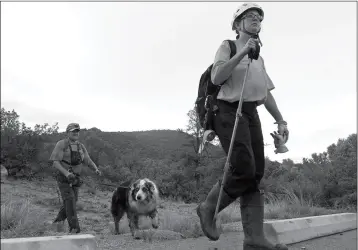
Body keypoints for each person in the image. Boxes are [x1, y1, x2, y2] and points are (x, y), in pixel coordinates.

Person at [196, 3, 289, 250]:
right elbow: (217, 77)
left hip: (250, 112)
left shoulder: (259, 57)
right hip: (227, 110)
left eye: (259, 16)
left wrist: (281, 120)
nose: (256, 19)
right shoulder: (229, 46)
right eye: (249, 16)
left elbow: (265, 94)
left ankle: (254, 239)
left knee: (256, 172)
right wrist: (241, 53)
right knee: (244, 166)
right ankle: (208, 207)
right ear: (237, 25)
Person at [49, 123, 102, 233]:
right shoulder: (61, 144)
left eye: (77, 131)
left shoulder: (81, 146)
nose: (75, 133)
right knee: (70, 201)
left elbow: (88, 160)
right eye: (73, 131)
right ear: (67, 132)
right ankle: (74, 229)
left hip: (76, 179)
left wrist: (95, 169)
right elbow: (55, 163)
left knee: (71, 201)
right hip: (64, 178)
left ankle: (57, 224)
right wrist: (66, 174)